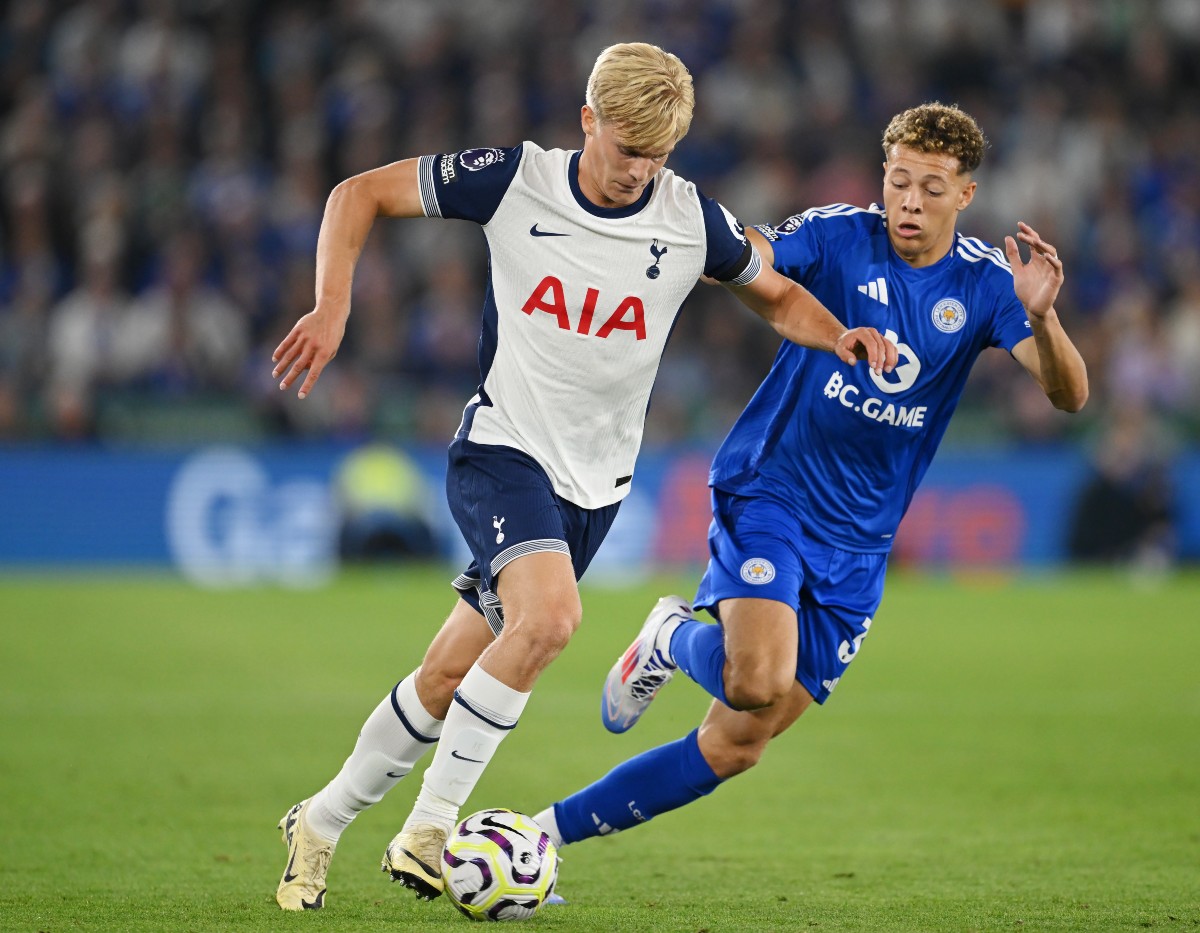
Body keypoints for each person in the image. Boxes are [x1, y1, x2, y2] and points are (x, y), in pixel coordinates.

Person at [269, 42, 895, 911]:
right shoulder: (513, 180)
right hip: (503, 451)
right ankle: (431, 826)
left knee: (450, 675)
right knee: (551, 619)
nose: (638, 171)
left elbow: (777, 294)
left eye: (657, 155)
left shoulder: (689, 218)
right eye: (626, 147)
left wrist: (841, 335)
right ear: (587, 120)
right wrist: (333, 304)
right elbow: (357, 193)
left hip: (593, 490)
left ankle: (321, 821)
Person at [531, 102, 1089, 863]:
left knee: (736, 743)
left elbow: (1069, 396)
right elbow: (751, 256)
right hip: (773, 492)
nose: (909, 202)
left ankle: (540, 836)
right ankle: (669, 632)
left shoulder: (990, 286)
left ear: (966, 196)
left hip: (860, 545)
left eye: (931, 188)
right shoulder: (837, 235)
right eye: (897, 182)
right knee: (756, 678)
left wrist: (1045, 320)